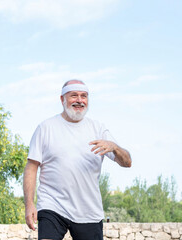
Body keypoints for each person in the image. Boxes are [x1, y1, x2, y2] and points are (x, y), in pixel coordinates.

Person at [23, 80, 132, 240]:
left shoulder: (98, 128)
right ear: (62, 99)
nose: (79, 100)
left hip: (88, 210)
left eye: (84, 96)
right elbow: (31, 168)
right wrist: (29, 204)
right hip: (52, 204)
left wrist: (114, 147)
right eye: (74, 95)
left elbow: (127, 162)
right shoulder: (46, 128)